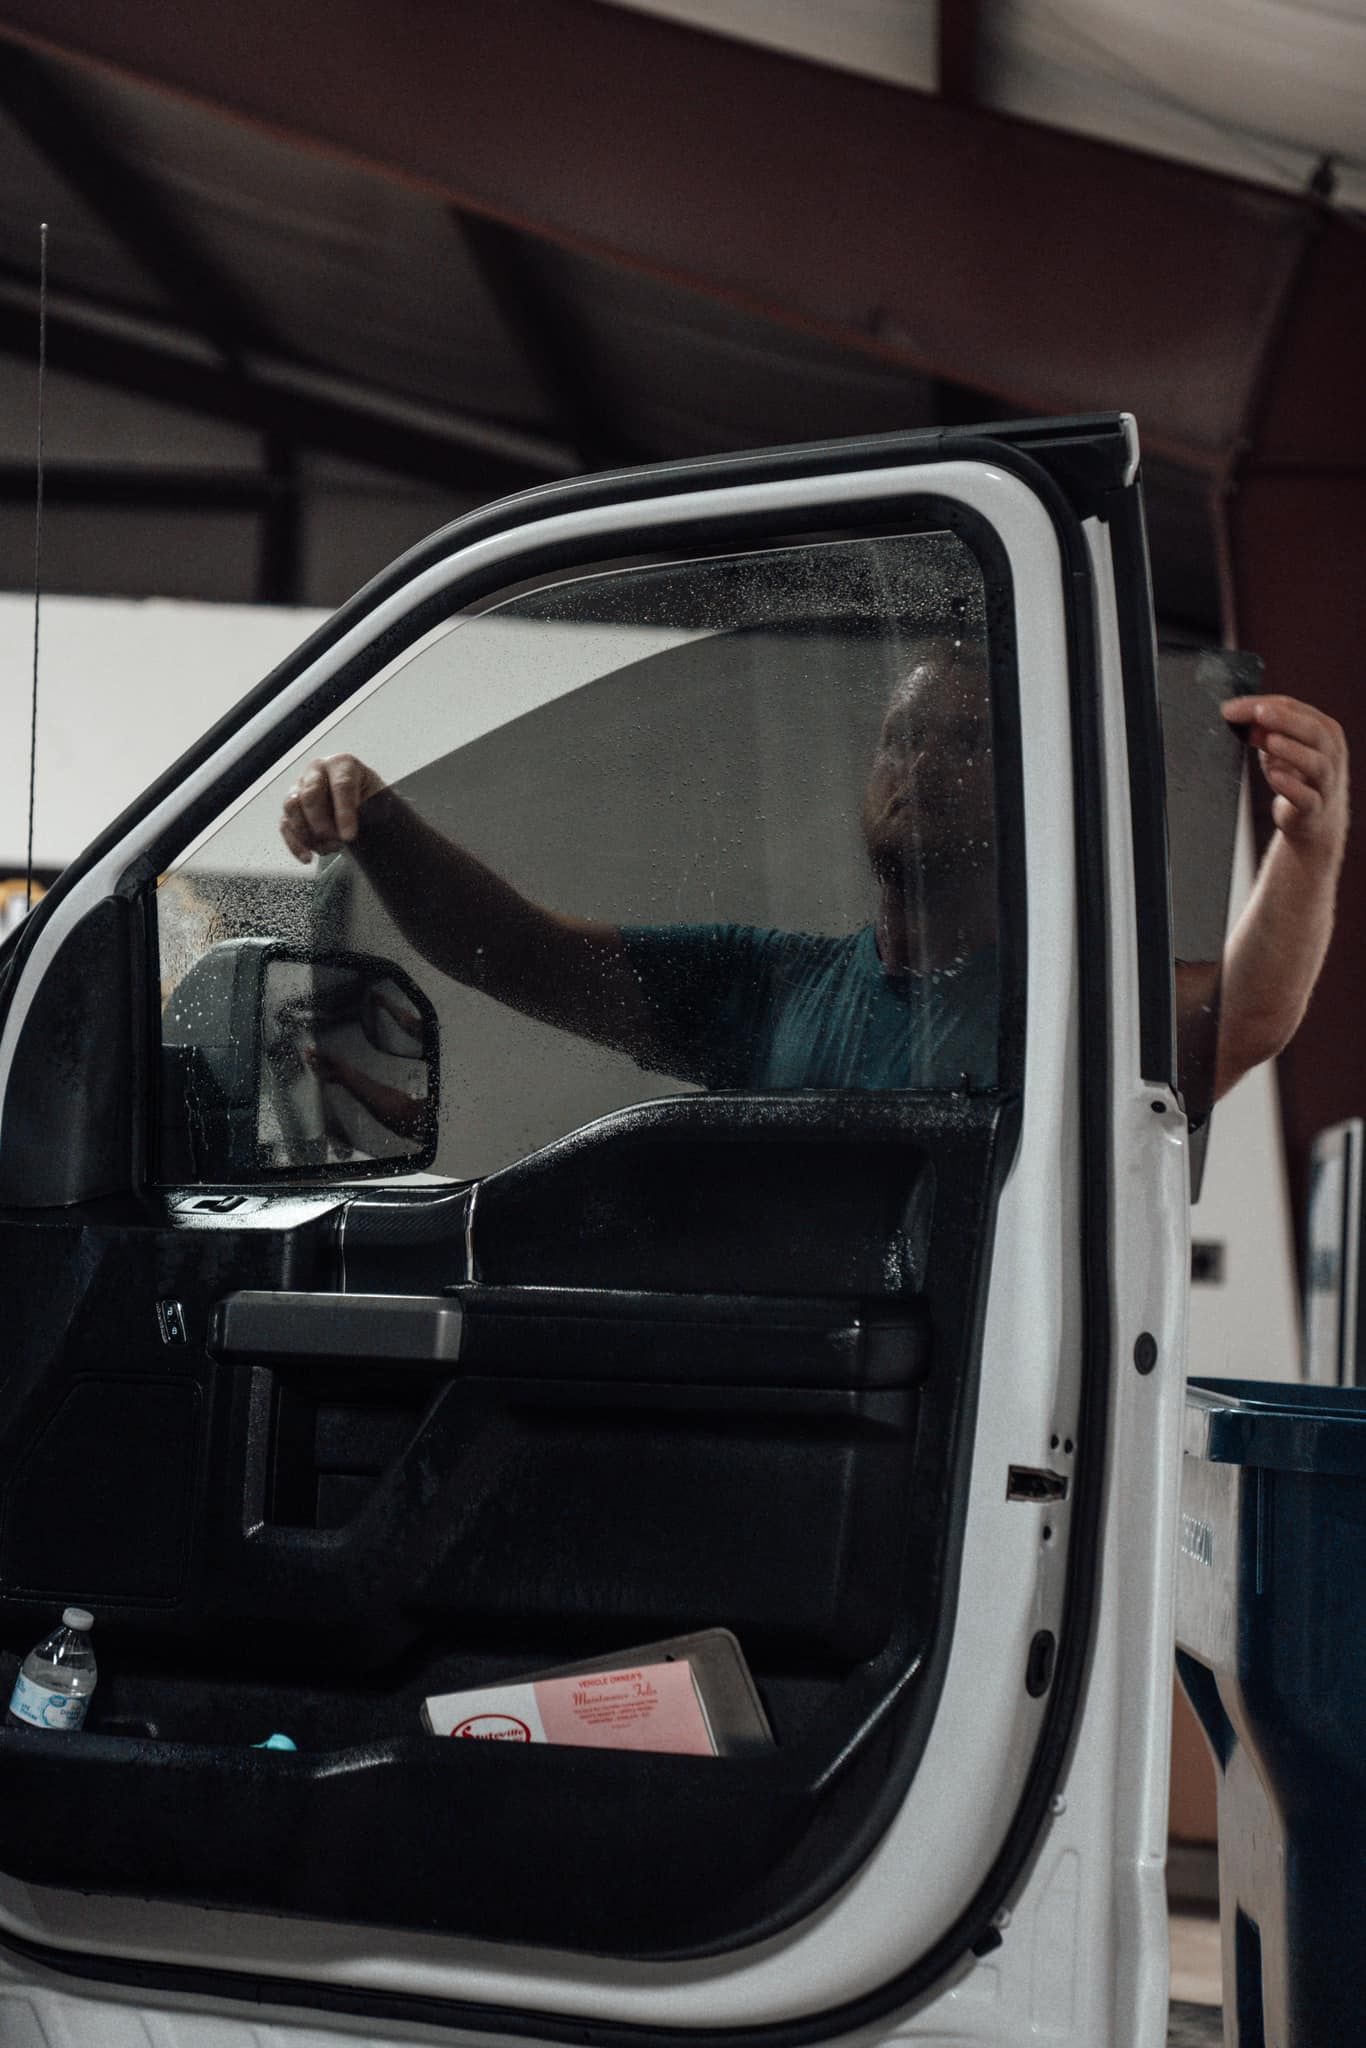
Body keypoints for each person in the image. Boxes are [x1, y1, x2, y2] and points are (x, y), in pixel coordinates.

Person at [278, 648, 1348, 1109]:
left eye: (967, 742)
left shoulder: (1068, 1002)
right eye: (901, 736)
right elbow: (513, 952)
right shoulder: (768, 986)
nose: (921, 762)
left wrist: (1311, 842)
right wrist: (376, 818)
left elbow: (1246, 1017)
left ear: (1030, 796)